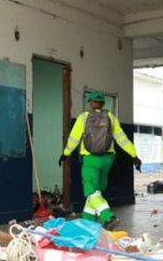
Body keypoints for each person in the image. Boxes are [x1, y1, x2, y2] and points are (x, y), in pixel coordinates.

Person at [59, 91, 141, 228]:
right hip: (108, 160)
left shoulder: (84, 117)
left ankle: (108, 217)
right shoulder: (110, 117)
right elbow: (122, 138)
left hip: (91, 160)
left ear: (90, 103)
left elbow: (74, 138)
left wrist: (66, 153)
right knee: (96, 193)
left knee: (91, 192)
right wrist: (133, 155)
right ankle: (87, 224)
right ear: (103, 103)